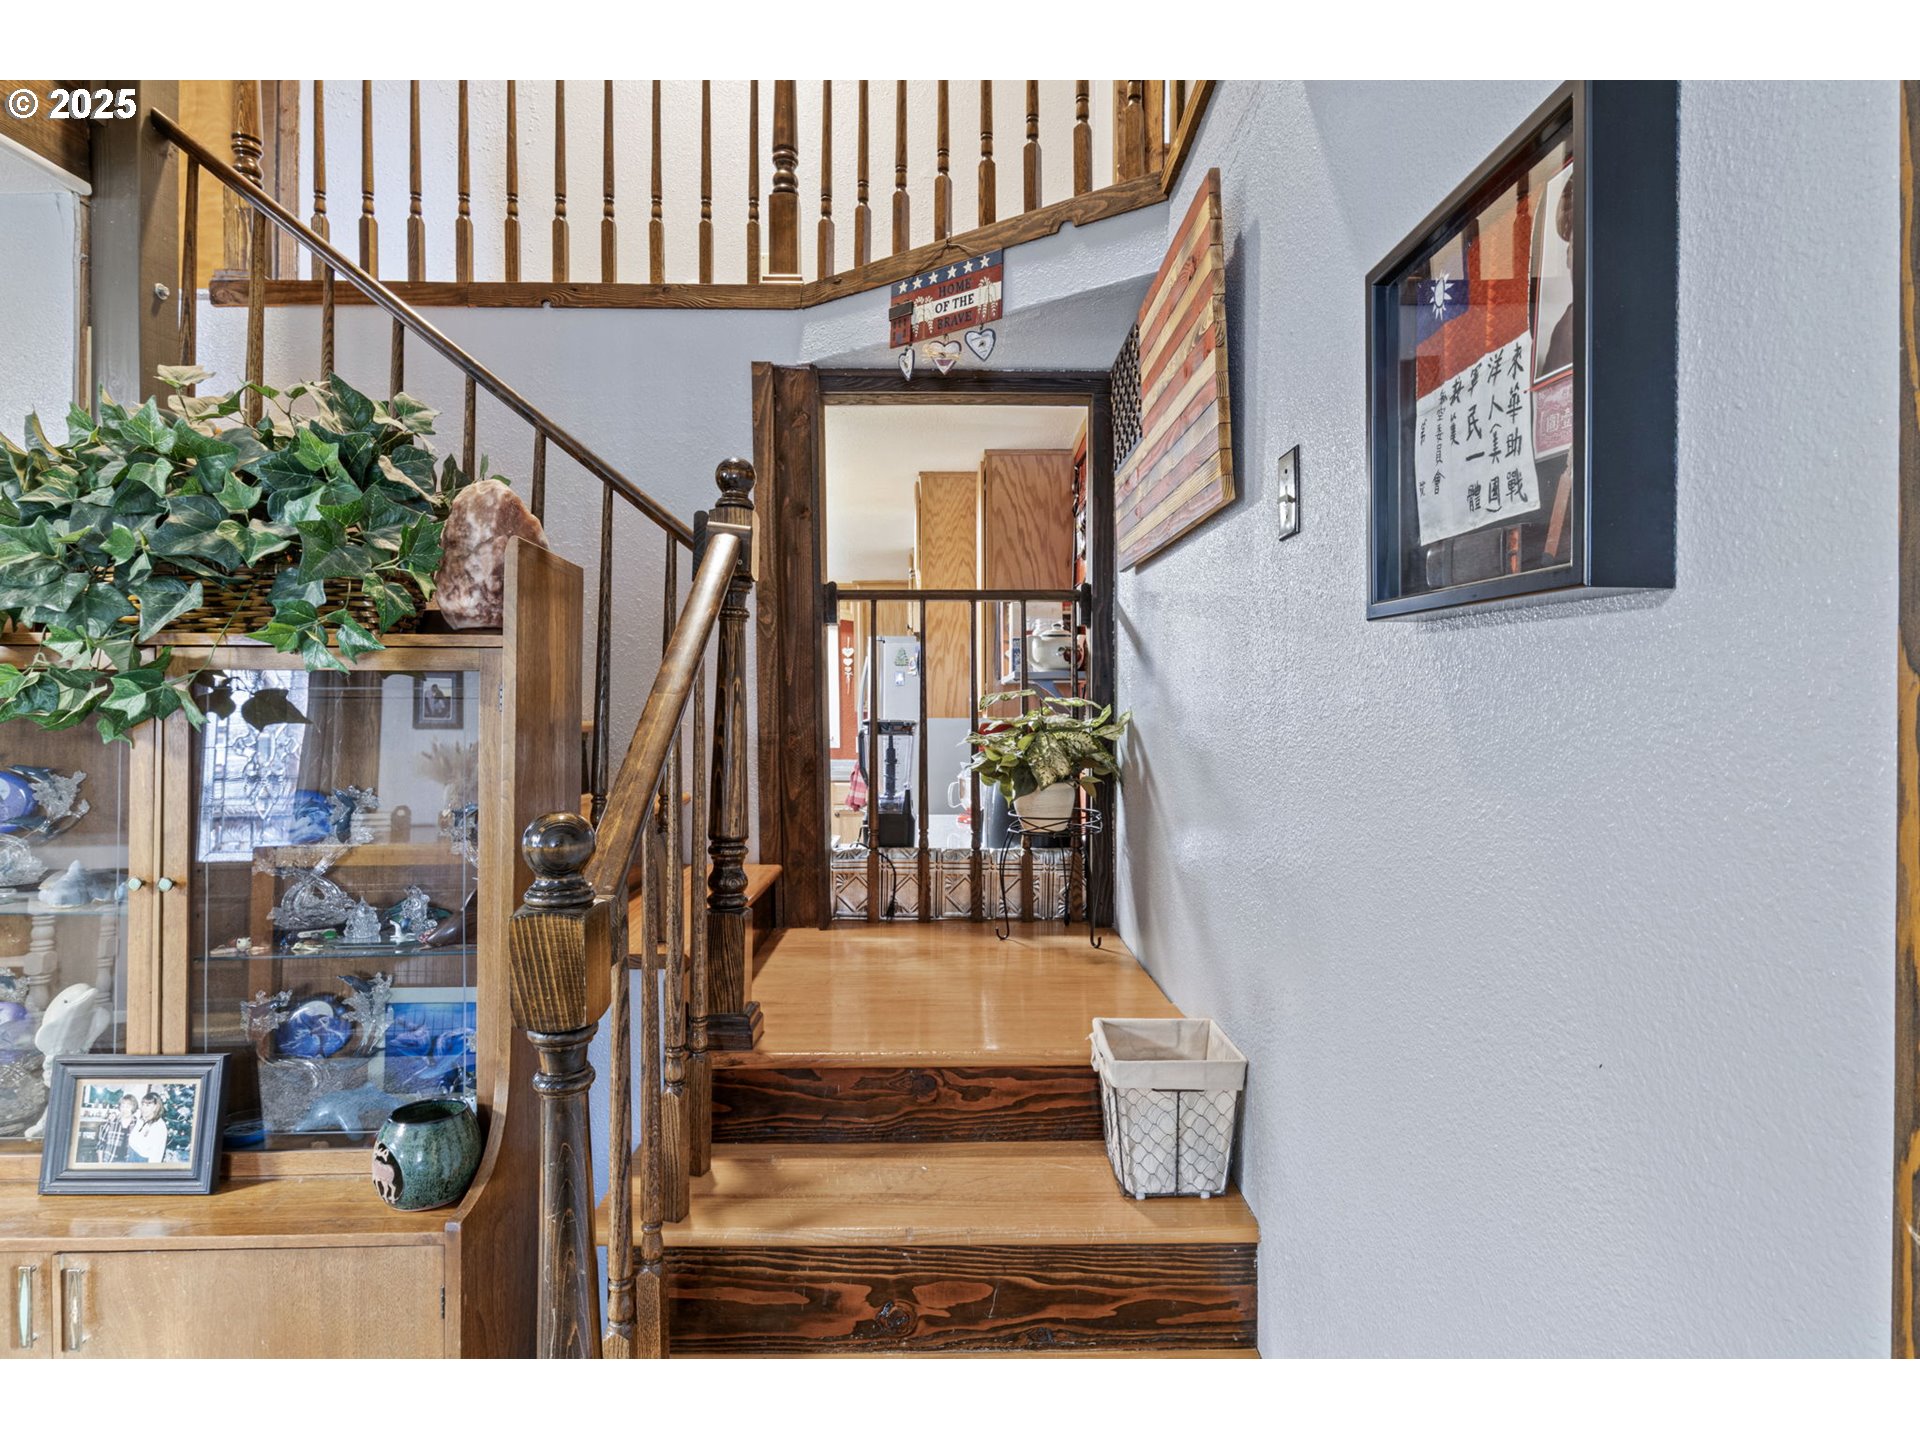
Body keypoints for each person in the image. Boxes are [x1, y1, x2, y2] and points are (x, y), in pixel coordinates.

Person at [126, 1092, 170, 1164]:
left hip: (142, 1161)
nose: (143, 1108)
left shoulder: (159, 1126)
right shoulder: (140, 1117)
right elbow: (127, 1113)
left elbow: (157, 1154)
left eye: (147, 1105)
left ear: (155, 1107)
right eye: (143, 1104)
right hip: (130, 1154)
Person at [91, 1093, 136, 1164]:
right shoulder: (112, 1121)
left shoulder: (137, 1124)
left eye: (128, 1106)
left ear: (133, 1107)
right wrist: (100, 1164)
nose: (124, 1109)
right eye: (122, 1106)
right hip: (110, 1161)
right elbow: (100, 1144)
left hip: (129, 1163)